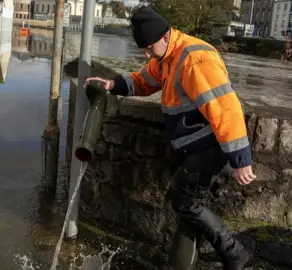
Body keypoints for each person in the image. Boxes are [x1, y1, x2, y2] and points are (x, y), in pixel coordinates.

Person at [84, 6, 256, 270]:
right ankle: (192, 262)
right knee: (191, 204)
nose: (146, 53)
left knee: (185, 201)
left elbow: (226, 109)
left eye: (149, 47)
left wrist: (241, 160)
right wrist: (113, 85)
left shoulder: (194, 60)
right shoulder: (168, 55)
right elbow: (144, 80)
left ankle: (235, 253)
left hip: (208, 146)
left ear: (165, 36)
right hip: (196, 145)